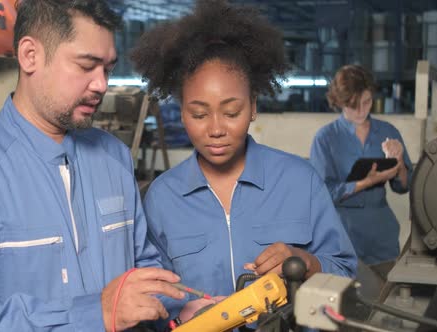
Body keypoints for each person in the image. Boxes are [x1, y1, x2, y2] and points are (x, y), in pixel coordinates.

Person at [0, 0, 185, 331]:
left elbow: (144, 268)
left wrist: (180, 309)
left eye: (107, 69)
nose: (101, 84)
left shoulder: (114, 156)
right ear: (30, 56)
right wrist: (93, 313)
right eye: (87, 66)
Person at [130, 0, 357, 323]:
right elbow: (152, 293)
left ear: (253, 106)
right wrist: (178, 315)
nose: (216, 129)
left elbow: (346, 273)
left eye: (232, 112)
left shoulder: (299, 181)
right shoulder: (162, 197)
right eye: (199, 114)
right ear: (182, 113)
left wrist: (305, 262)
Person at [309, 64, 413, 265]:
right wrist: (366, 182)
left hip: (382, 232)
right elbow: (322, 194)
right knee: (343, 292)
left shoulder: (387, 131)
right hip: (342, 233)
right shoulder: (326, 138)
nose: (360, 111)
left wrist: (399, 163)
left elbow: (404, 186)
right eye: (353, 105)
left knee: (385, 291)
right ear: (339, 102)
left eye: (366, 102)